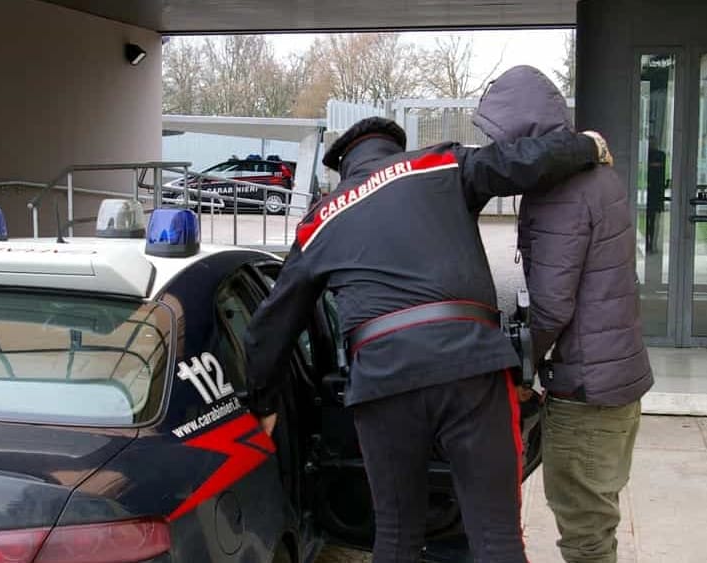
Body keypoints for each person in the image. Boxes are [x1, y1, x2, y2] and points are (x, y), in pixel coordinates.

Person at [242, 116, 613, 563]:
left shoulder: (320, 220)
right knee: (497, 538)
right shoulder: (439, 165)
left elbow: (270, 326)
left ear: (344, 167)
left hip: (383, 384)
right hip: (472, 368)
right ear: (396, 149)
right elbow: (517, 161)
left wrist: (262, 405)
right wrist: (586, 146)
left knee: (397, 537)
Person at [474, 66, 654, 563]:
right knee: (599, 515)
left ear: (522, 131)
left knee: (584, 533)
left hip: (586, 391)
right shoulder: (599, 175)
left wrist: (521, 367)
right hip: (619, 376)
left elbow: (553, 304)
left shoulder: (560, 191)